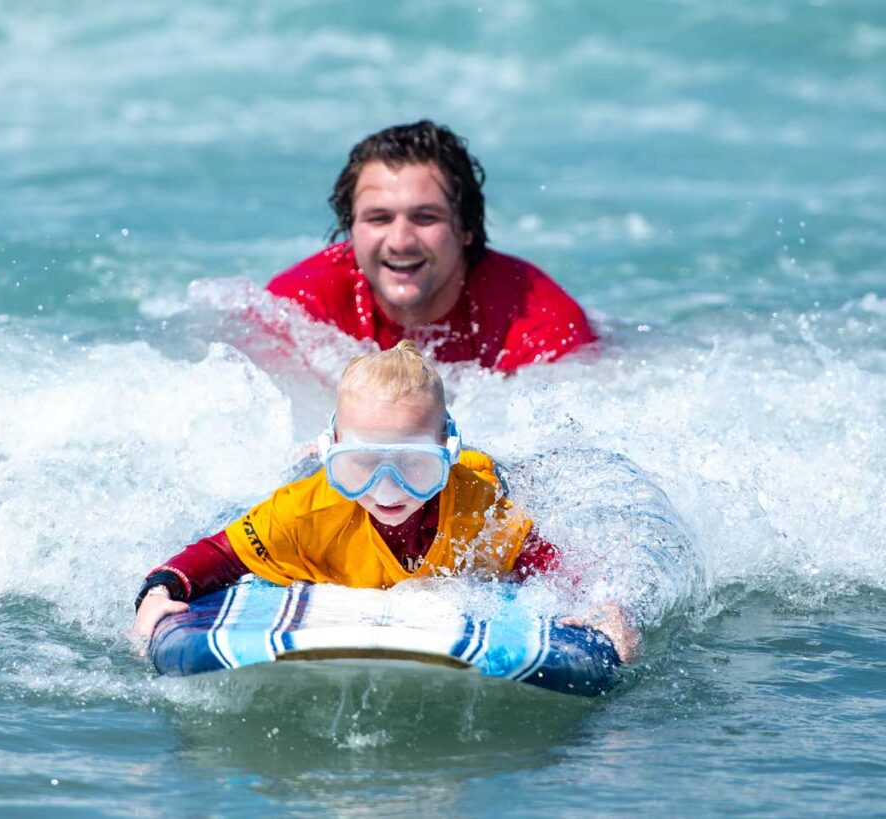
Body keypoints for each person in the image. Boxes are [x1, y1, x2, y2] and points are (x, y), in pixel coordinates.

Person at [132, 341, 638, 662]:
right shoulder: (308, 510)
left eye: (415, 465)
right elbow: (218, 555)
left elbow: (544, 560)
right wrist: (157, 592)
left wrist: (602, 606)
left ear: (445, 455)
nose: (388, 487)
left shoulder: (476, 506)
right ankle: (315, 455)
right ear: (338, 458)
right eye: (362, 464)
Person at [265, 120, 596, 373]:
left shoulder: (539, 321)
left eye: (425, 217)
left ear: (466, 227)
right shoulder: (297, 309)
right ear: (351, 229)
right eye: (379, 218)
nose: (400, 241)